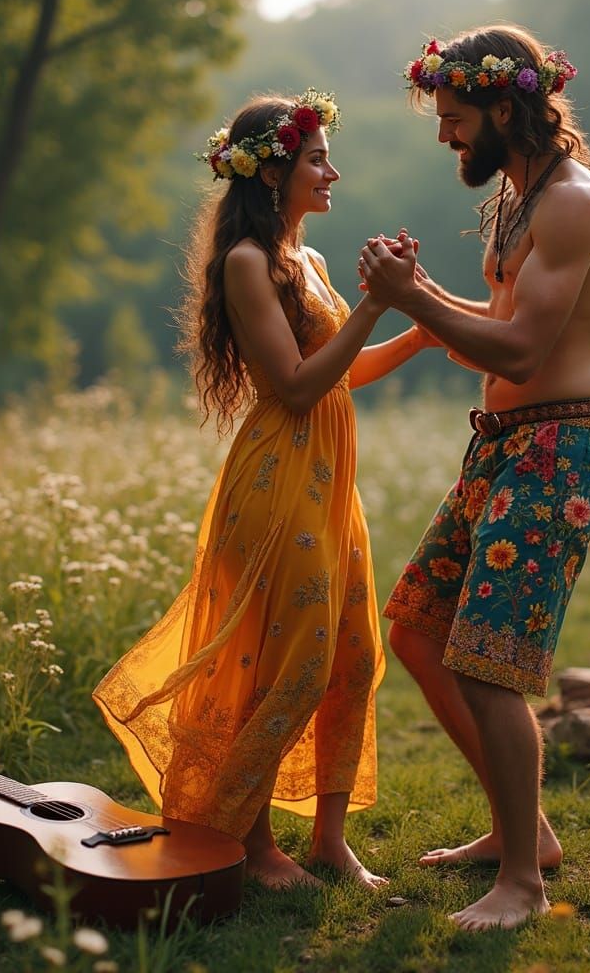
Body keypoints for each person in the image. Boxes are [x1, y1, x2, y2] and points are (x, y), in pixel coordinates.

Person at [93, 90, 432, 890]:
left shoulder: (306, 259)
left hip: (329, 479)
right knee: (290, 662)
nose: (332, 172)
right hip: (280, 478)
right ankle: (252, 847)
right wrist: (377, 304)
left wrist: (417, 326)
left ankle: (330, 841)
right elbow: (295, 385)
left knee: (351, 654)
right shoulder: (247, 261)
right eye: (317, 160)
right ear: (274, 171)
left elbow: (343, 371)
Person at [357, 24, 590, 929]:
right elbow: (500, 311)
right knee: (419, 628)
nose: (446, 137)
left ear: (505, 106)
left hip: (559, 450)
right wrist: (428, 302)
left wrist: (413, 298)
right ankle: (528, 834)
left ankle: (523, 885)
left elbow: (523, 344)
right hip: (502, 446)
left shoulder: (574, 203)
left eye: (456, 117)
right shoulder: (518, 197)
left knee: (488, 666)